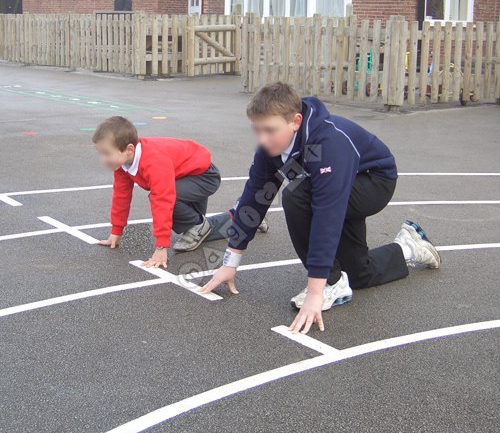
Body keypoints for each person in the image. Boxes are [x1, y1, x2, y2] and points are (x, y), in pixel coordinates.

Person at [201, 82, 441, 334]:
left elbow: (328, 214)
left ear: (295, 121)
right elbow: (254, 198)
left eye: (269, 130)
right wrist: (230, 262)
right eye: (256, 130)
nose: (262, 138)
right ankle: (408, 247)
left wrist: (317, 289)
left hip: (373, 181)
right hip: (336, 183)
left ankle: (331, 283)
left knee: (297, 196)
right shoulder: (270, 147)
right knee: (359, 274)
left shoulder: (328, 143)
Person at [93, 116, 225, 266]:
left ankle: (199, 226)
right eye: (100, 153)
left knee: (186, 217)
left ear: (129, 150)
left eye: (107, 153)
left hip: (204, 176)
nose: (102, 159)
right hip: (185, 176)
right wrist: (116, 231)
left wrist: (161, 246)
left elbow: (162, 199)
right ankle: (241, 217)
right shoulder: (122, 165)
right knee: (196, 226)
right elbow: (121, 196)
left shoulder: (154, 161)